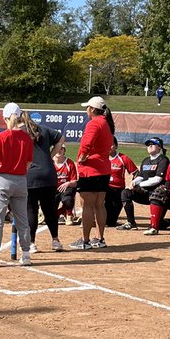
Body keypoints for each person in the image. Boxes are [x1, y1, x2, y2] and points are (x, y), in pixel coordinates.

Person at [0, 102, 34, 268]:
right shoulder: (26, 138)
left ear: (5, 118)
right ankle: (26, 255)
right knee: (22, 220)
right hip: (20, 180)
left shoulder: (2, 136)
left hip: (2, 180)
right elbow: (29, 162)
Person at [71, 95, 113, 250]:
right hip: (103, 169)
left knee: (87, 205)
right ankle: (99, 238)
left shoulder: (94, 123)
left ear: (93, 109)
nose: (86, 111)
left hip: (91, 169)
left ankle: (85, 240)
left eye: (88, 108)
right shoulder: (106, 124)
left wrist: (82, 157)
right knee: (99, 205)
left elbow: (87, 144)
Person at [24, 112, 64, 252]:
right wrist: (50, 155)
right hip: (48, 174)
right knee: (49, 208)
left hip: (31, 175)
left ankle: (32, 243)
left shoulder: (21, 132)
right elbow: (61, 138)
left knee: (31, 209)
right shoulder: (44, 129)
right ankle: (55, 240)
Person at [129, 136, 170, 235]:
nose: (150, 147)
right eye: (148, 145)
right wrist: (134, 182)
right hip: (145, 191)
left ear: (159, 147)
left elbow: (157, 179)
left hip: (159, 194)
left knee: (159, 223)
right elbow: (141, 176)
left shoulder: (163, 160)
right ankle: (130, 222)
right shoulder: (146, 160)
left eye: (153, 145)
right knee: (126, 193)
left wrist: (140, 185)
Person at [106, 136, 138, 229]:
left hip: (117, 191)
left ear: (116, 146)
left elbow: (136, 173)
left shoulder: (123, 158)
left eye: (111, 144)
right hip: (104, 191)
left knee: (110, 222)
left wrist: (132, 183)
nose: (109, 146)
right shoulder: (102, 158)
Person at [53, 142, 78, 225]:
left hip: (66, 188)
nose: (59, 151)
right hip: (53, 188)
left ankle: (69, 214)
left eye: (61, 149)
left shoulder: (69, 163)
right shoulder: (49, 162)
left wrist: (67, 183)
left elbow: (74, 182)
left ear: (64, 151)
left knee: (68, 199)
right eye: (57, 148)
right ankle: (57, 213)